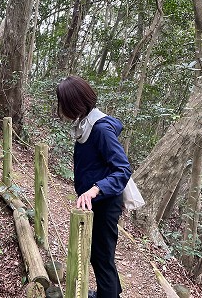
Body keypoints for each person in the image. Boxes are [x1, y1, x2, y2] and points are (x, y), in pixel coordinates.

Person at [56, 76, 131, 298]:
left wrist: (95, 188)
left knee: (101, 255)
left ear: (75, 103)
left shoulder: (100, 129)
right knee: (99, 254)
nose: (61, 108)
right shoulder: (85, 123)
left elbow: (123, 169)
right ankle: (110, 292)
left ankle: (108, 294)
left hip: (106, 202)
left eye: (64, 103)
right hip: (96, 201)